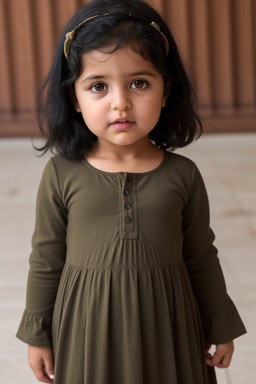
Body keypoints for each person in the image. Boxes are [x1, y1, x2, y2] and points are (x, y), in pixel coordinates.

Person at [16, 0, 246, 383]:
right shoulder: (60, 174)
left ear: (166, 89)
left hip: (170, 330)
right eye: (98, 86)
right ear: (74, 97)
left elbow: (201, 255)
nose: (120, 101)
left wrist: (220, 323)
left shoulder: (183, 175)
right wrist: (37, 335)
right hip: (88, 334)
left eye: (139, 83)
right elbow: (45, 258)